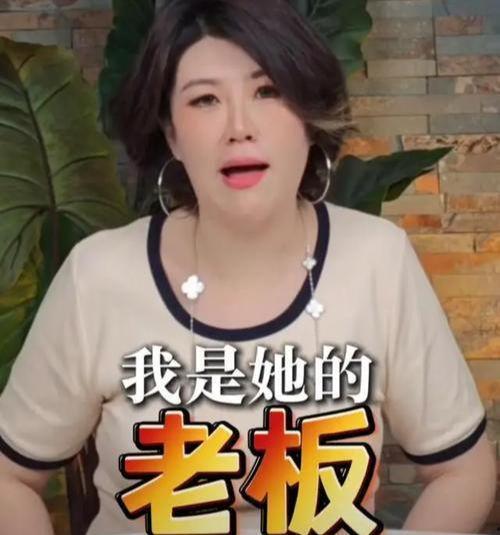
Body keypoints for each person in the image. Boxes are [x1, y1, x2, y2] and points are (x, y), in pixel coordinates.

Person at [0, 1, 496, 534]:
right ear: (171, 133)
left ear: (309, 119)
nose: (239, 127)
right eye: (205, 99)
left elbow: (461, 471)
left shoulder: (379, 260)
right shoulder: (97, 277)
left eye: (267, 91)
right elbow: (10, 477)